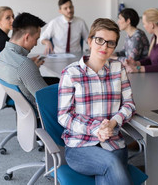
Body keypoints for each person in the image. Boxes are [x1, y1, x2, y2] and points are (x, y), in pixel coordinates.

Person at [58, 18, 135, 184]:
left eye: (111, 43)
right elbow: (64, 116)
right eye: (100, 40)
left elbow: (129, 104)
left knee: (106, 175)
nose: (105, 47)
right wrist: (95, 129)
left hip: (113, 143)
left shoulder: (118, 69)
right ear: (90, 41)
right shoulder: (71, 73)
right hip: (80, 146)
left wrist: (114, 123)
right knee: (111, 163)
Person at [0, 12, 49, 110]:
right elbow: (47, 99)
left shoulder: (2, 55)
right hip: (41, 113)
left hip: (23, 110)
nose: (36, 44)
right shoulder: (24, 65)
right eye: (36, 39)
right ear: (27, 37)